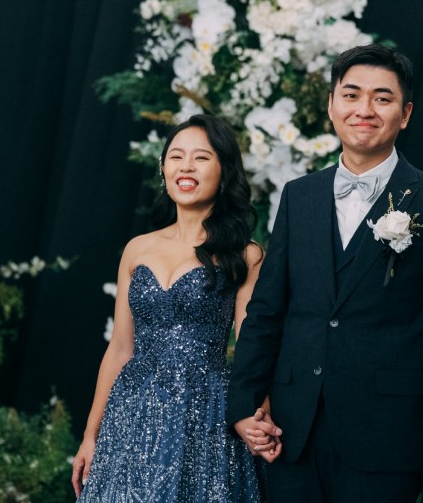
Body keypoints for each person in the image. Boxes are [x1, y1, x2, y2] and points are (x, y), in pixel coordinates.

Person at [227, 45, 423, 502]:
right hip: (291, 431)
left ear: (405, 114)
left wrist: (410, 380)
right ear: (332, 105)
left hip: (387, 434)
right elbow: (267, 310)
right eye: (351, 95)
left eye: (382, 98)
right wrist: (245, 403)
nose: (364, 110)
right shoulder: (298, 196)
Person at [72, 113, 274, 502]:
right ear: (163, 169)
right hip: (132, 412)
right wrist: (90, 435)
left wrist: (258, 415)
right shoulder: (137, 249)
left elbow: (255, 351)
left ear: (224, 172)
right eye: (176, 156)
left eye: (201, 157)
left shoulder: (245, 255)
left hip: (206, 413)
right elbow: (120, 348)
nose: (186, 166)